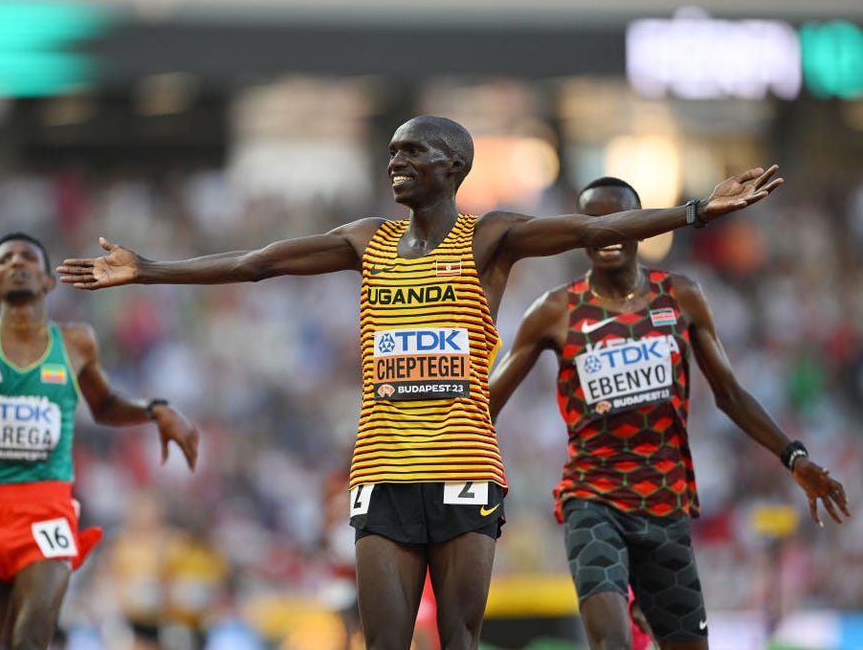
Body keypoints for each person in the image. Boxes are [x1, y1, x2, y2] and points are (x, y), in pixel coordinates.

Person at [57, 115, 783, 649]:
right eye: (393, 151)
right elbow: (258, 262)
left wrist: (693, 212)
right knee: (384, 644)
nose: (396, 161)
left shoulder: (490, 237)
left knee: (459, 641)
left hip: (466, 469)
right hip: (381, 467)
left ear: (453, 166)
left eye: (413, 152)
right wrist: (148, 268)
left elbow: (586, 230)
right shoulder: (364, 241)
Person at [487, 177, 851, 649]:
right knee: (609, 640)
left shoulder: (680, 297)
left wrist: (794, 457)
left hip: (664, 503)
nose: (607, 234)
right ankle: (624, 605)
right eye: (593, 224)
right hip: (592, 498)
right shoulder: (556, 309)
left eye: (620, 221)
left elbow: (730, 393)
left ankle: (646, 601)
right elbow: (486, 401)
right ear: (578, 234)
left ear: (642, 229)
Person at [0, 232, 200, 650]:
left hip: (46, 511)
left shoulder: (75, 342)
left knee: (30, 638)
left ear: (47, 281)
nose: (16, 263)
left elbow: (105, 405)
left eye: (27, 258)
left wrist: (155, 409)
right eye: (5, 260)